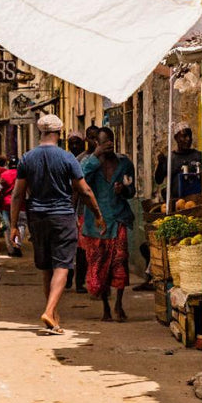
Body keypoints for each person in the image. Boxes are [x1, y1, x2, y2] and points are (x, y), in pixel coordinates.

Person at [10, 114, 105, 334]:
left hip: (37, 218)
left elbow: (17, 194)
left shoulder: (27, 158)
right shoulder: (67, 158)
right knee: (62, 265)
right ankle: (49, 310)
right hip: (62, 216)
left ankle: (53, 316)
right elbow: (84, 190)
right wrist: (98, 213)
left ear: (40, 132)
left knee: (46, 267)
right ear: (59, 133)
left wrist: (14, 224)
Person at [80, 127, 137, 321]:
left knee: (120, 261)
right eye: (104, 141)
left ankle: (118, 304)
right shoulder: (89, 164)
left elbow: (132, 191)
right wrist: (96, 155)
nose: (109, 144)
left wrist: (124, 190)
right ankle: (105, 306)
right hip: (96, 223)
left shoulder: (124, 163)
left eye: (111, 140)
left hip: (118, 218)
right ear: (97, 143)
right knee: (99, 265)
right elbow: (79, 181)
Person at [154, 121, 202, 206]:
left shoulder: (198, 156)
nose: (188, 139)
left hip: (196, 203)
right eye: (184, 136)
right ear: (176, 138)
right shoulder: (170, 159)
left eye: (190, 136)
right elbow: (159, 180)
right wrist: (160, 164)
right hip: (176, 204)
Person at [66, 131, 88, 292]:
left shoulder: (85, 161)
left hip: (81, 209)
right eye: (71, 143)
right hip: (67, 208)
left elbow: (78, 189)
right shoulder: (66, 159)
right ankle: (68, 276)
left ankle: (80, 281)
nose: (74, 146)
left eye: (77, 143)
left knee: (80, 248)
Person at [0, 155, 22, 257]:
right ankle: (17, 245)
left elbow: (0, 190)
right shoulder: (22, 175)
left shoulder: (4, 175)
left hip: (6, 205)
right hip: (21, 205)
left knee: (7, 227)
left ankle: (10, 248)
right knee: (20, 226)